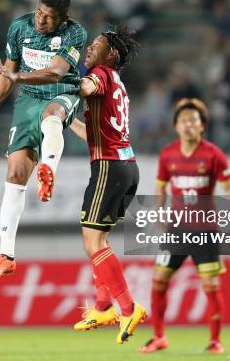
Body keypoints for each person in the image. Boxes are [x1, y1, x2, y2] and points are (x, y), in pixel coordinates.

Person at [0, 0, 87, 281]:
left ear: (63, 19)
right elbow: (7, 75)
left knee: (53, 117)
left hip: (62, 92)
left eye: (49, 17)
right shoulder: (19, 27)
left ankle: (48, 168)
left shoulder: (75, 34)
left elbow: (57, 73)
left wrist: (17, 76)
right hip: (28, 101)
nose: (41, 21)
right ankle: (5, 255)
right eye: (39, 12)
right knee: (15, 172)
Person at [139, 98, 230, 354]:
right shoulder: (168, 154)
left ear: (202, 126)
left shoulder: (213, 154)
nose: (188, 125)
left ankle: (215, 341)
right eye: (183, 121)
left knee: (211, 286)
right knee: (159, 280)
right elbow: (160, 187)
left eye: (194, 121)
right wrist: (160, 213)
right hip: (176, 230)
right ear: (175, 126)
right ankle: (159, 337)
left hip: (205, 231)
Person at [68, 26, 147, 344]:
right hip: (127, 166)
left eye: (95, 45)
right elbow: (93, 135)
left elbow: (85, 87)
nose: (89, 49)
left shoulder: (100, 74)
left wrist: (57, 77)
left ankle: (128, 308)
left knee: (92, 243)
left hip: (109, 169)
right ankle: (102, 306)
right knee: (100, 241)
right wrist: (64, 121)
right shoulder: (118, 85)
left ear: (111, 54)